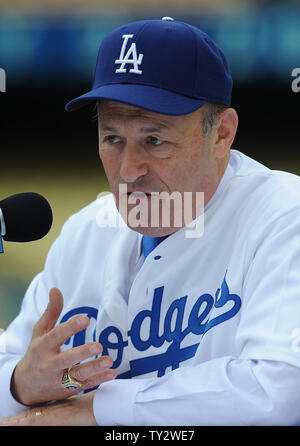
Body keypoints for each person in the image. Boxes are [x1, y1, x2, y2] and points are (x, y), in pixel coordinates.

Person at [1, 17, 300, 426]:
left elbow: (280, 391)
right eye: (112, 139)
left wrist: (101, 411)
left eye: (154, 140)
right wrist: (20, 383)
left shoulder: (284, 215)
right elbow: (11, 367)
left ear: (222, 134)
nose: (128, 171)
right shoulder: (86, 232)